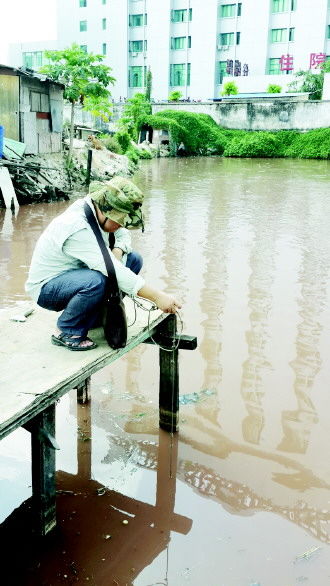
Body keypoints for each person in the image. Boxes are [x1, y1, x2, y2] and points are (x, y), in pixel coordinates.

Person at [25, 176, 181, 351]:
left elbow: (122, 235)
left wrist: (118, 250)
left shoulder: (96, 210)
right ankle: (67, 330)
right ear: (105, 211)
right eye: (119, 219)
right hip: (48, 288)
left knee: (133, 260)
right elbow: (112, 269)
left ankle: (96, 317)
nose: (122, 225)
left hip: (78, 274)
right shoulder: (77, 226)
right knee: (96, 280)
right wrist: (157, 297)